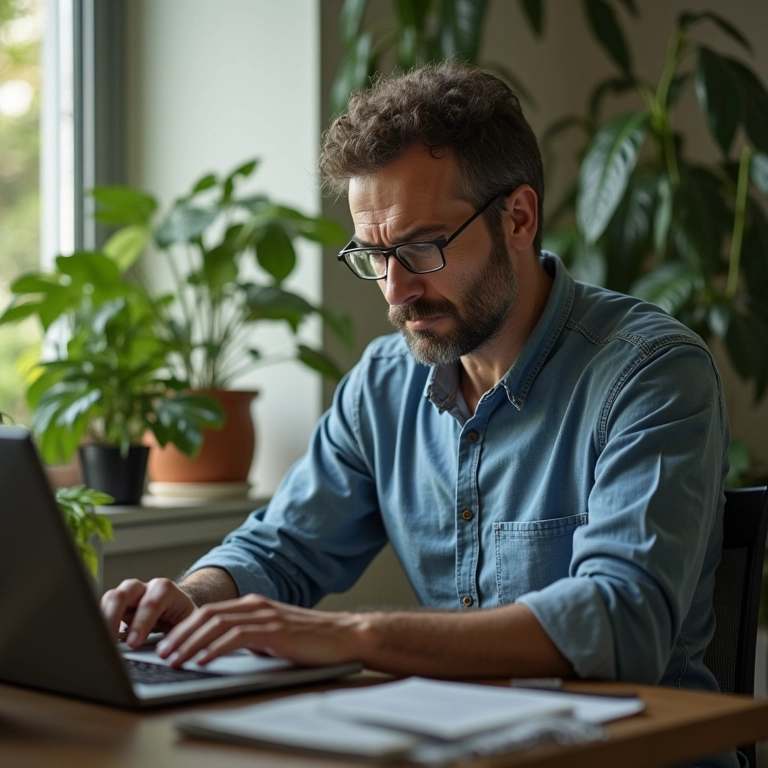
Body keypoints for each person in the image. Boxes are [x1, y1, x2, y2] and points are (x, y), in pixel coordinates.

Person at [102, 62, 729, 706]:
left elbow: (620, 622)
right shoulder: (383, 383)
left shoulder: (650, 373)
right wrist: (194, 597)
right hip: (458, 738)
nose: (395, 290)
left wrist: (355, 635)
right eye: (374, 256)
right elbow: (284, 547)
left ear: (517, 218)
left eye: (423, 246)